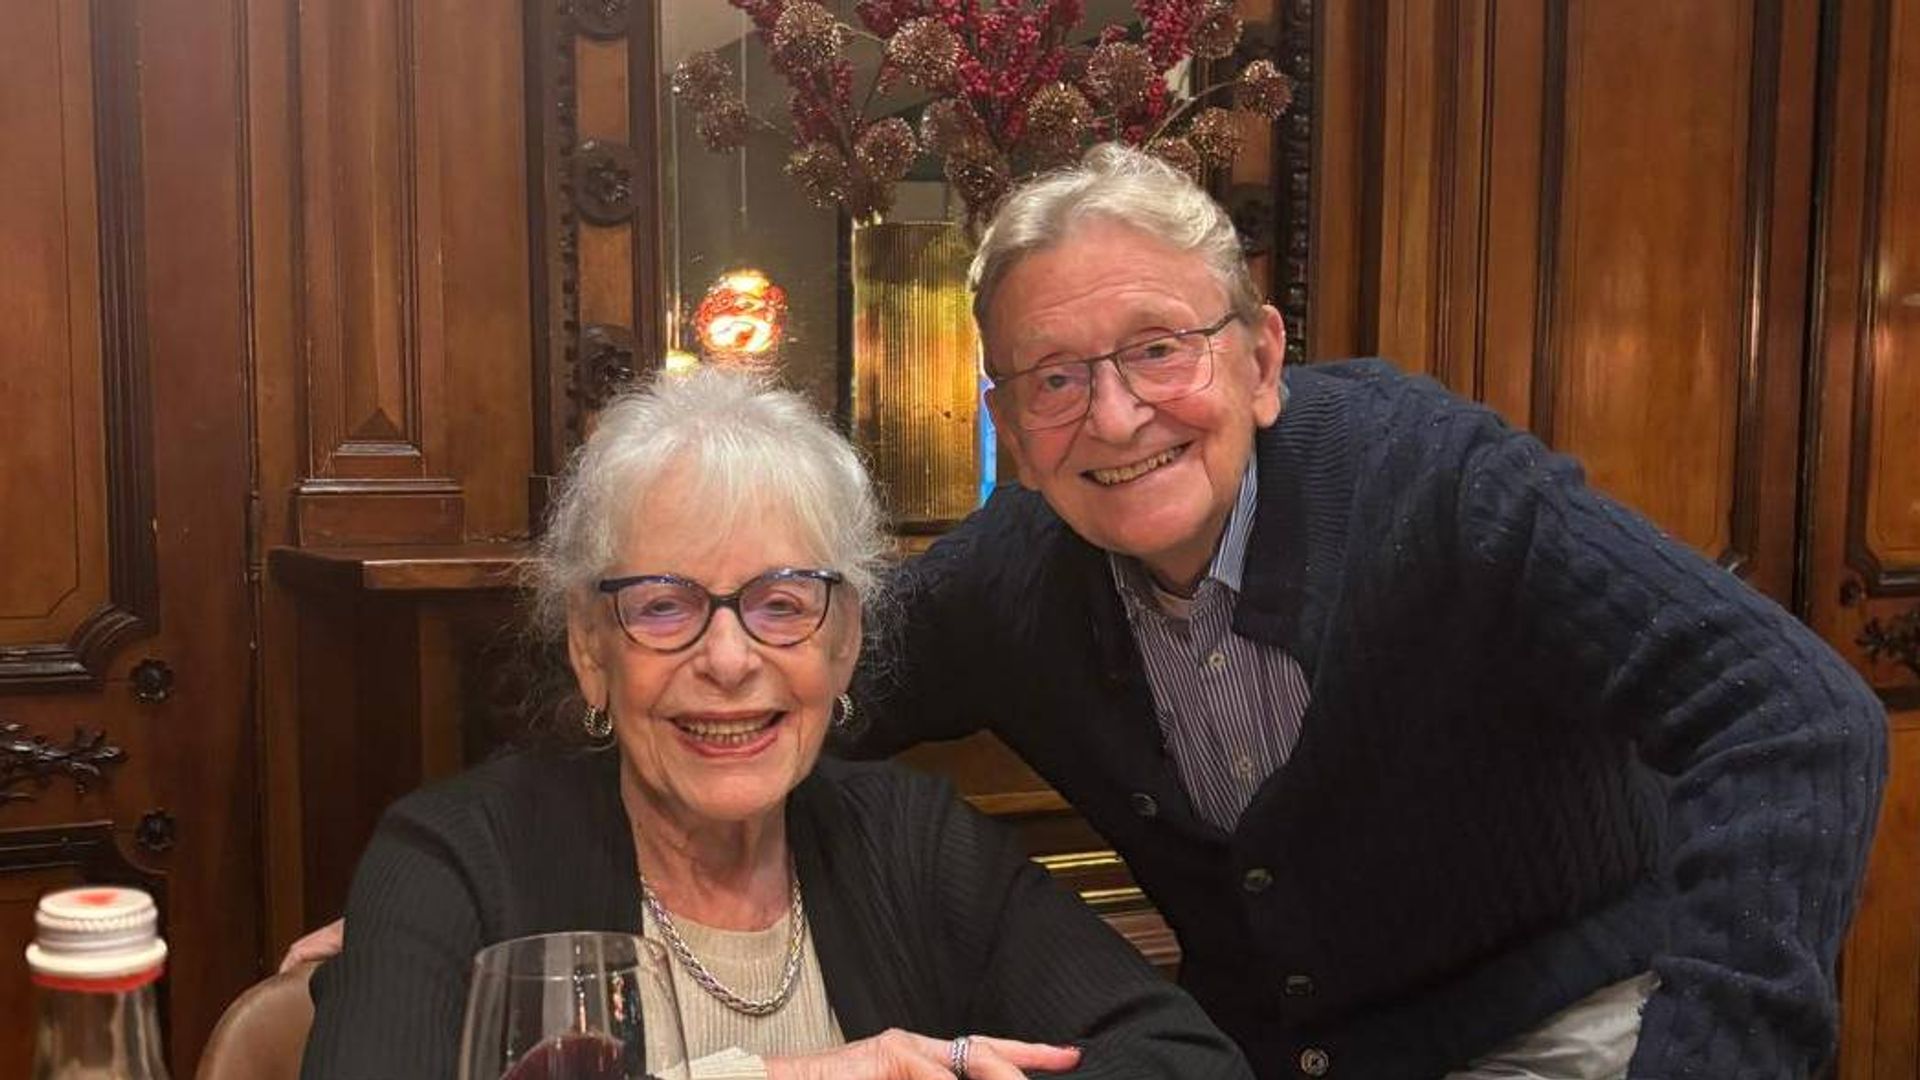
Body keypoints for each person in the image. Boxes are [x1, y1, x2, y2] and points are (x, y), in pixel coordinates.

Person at [838, 144, 1887, 1079]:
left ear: (1261, 361)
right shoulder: (1008, 581)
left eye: (1160, 348)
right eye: (1056, 379)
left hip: (1571, 1026)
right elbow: (804, 673)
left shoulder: (1435, 480)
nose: (1115, 418)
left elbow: (1790, 711)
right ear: (1011, 428)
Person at [299, 369, 1254, 1080]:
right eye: (663, 605)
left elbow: (1183, 1060)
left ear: (843, 645)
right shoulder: (461, 859)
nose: (728, 659)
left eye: (782, 603)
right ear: (591, 650)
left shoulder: (914, 842)